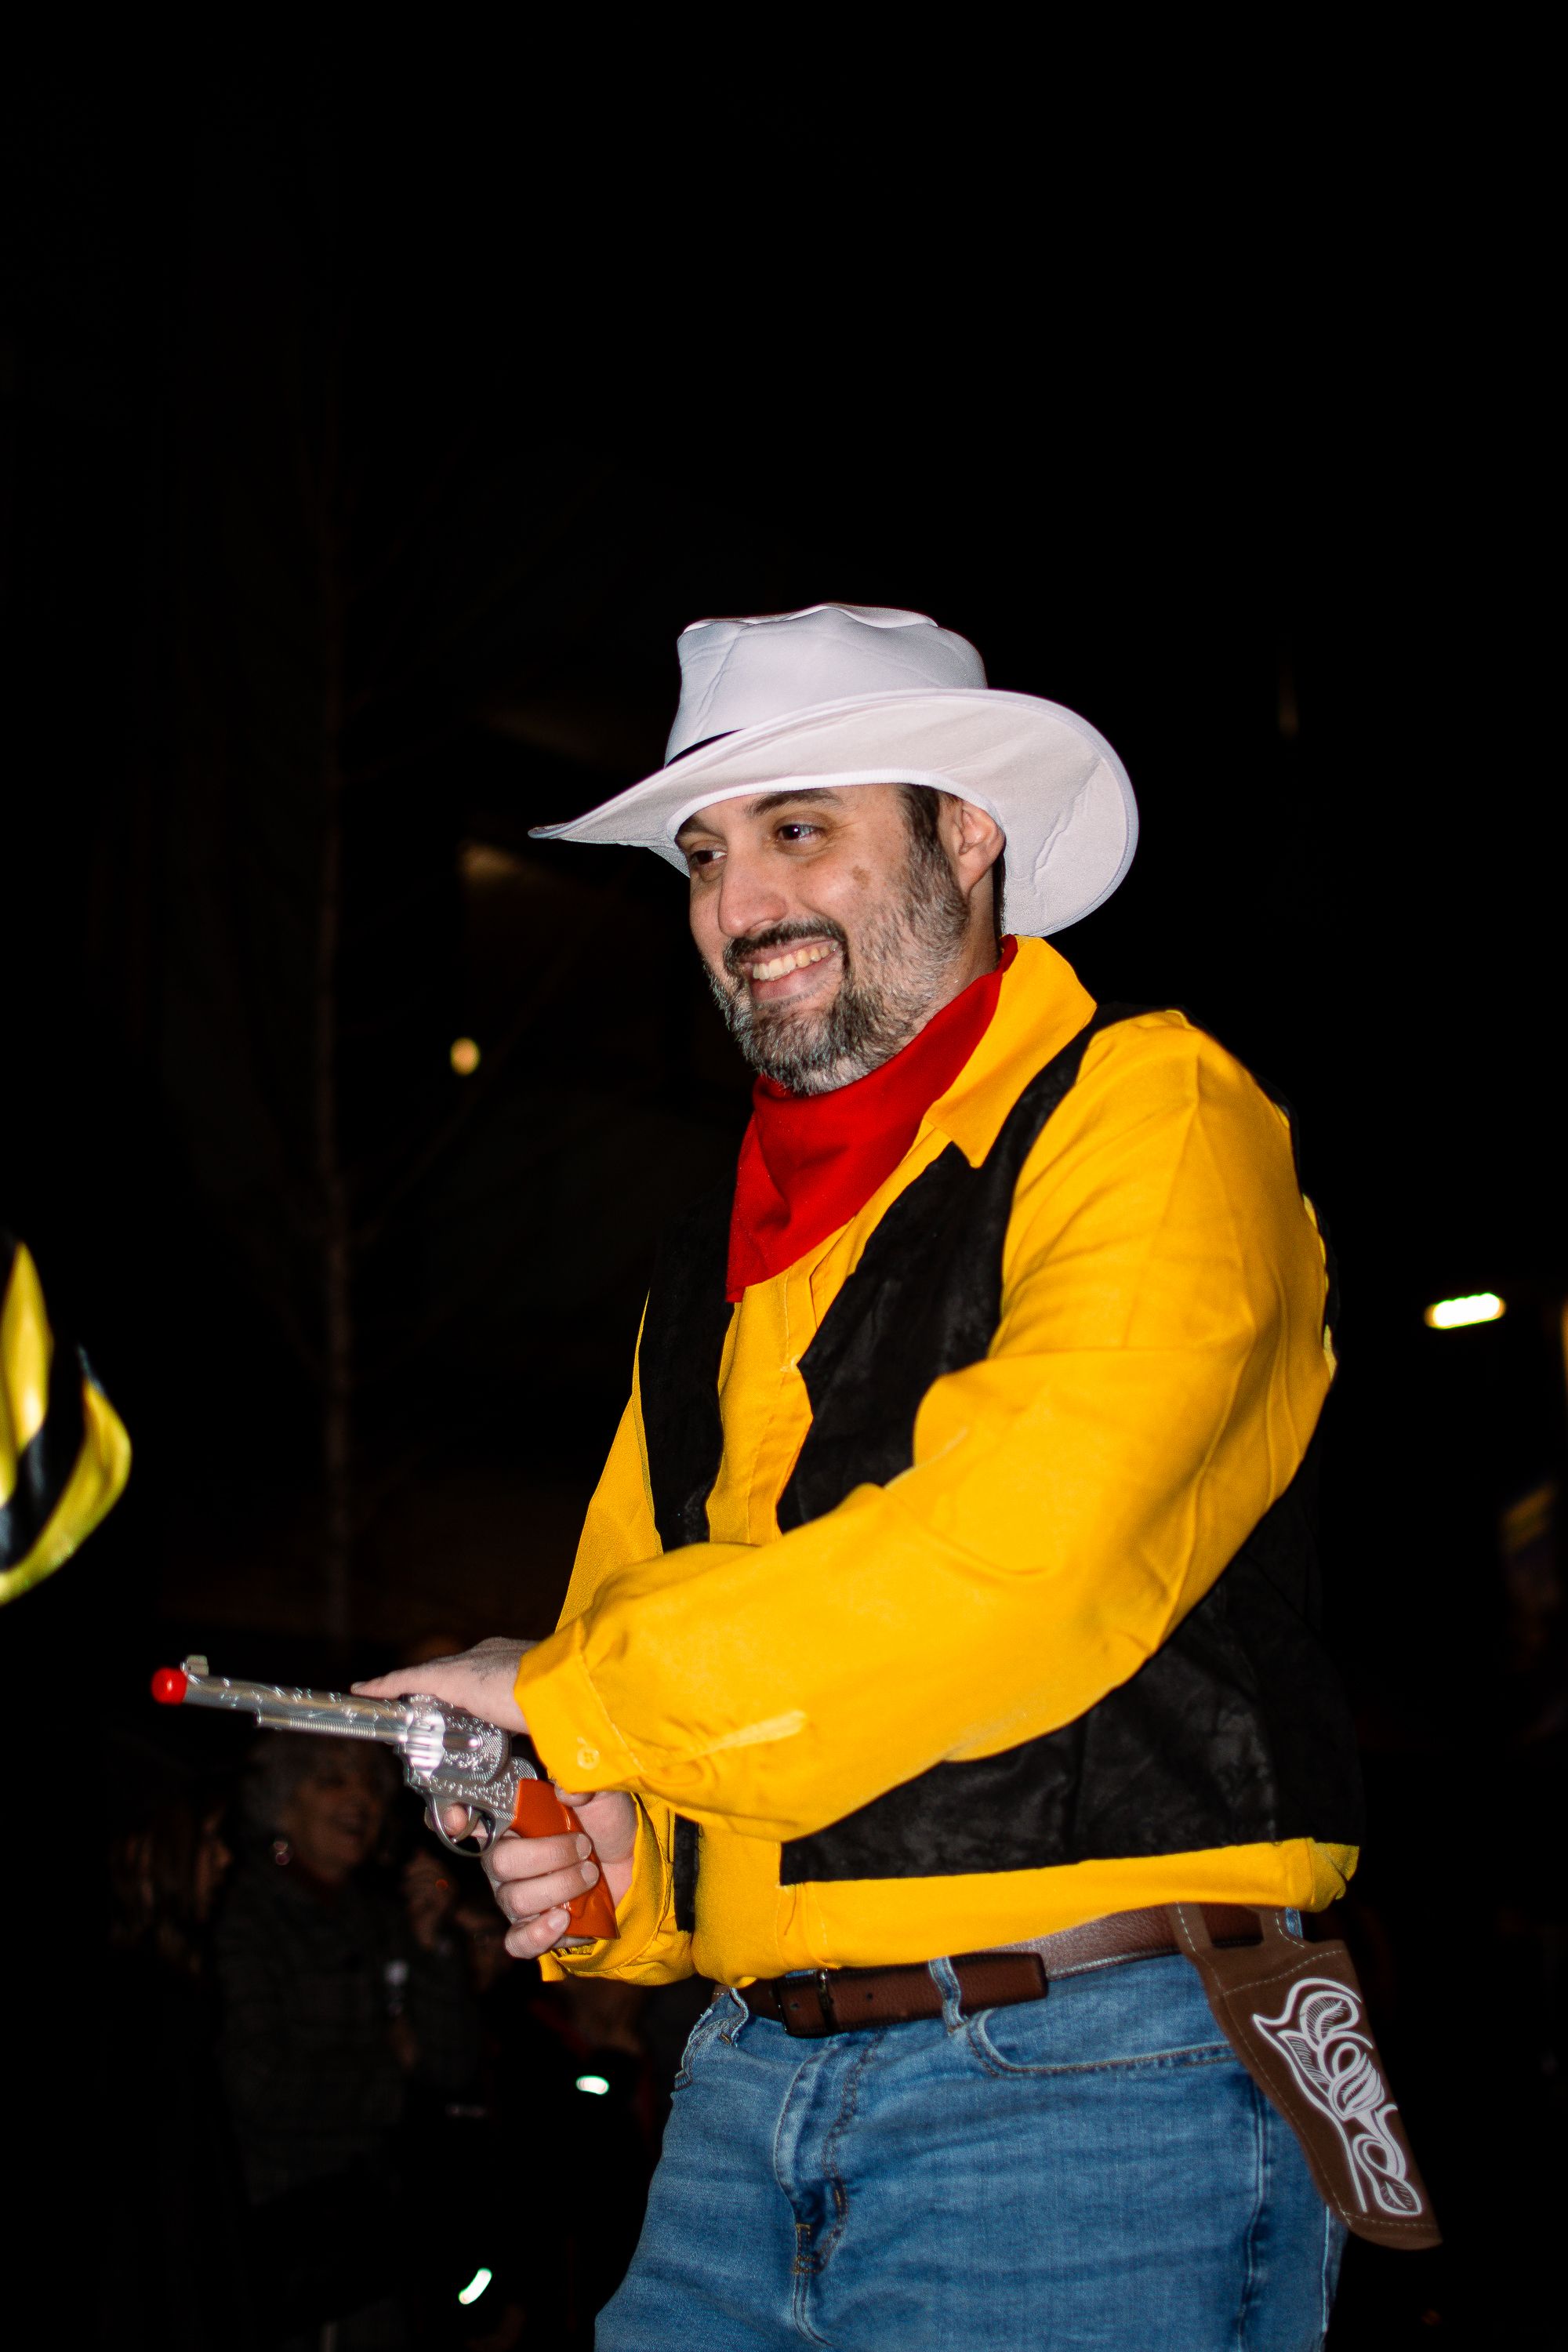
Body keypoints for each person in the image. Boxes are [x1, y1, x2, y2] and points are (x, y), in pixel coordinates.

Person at [358, 605, 1371, 2349]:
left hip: (1096, 2083)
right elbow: (655, 1653)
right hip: (741, 2094)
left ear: (966, 834)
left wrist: (580, 1702)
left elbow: (1015, 1564)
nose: (737, 904)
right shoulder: (710, 1255)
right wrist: (610, 1848)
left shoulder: (1154, 1114)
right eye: (703, 855)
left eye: (798, 828)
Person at [214, 1732, 479, 2348]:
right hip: (289, 2234)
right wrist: (391, 2066)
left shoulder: (380, 1913)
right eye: (332, 1781)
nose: (360, 1799)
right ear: (283, 1802)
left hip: (380, 2236)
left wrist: (432, 1944)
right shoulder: (245, 1911)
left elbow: (451, 2068)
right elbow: (257, 2086)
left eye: (371, 1784)